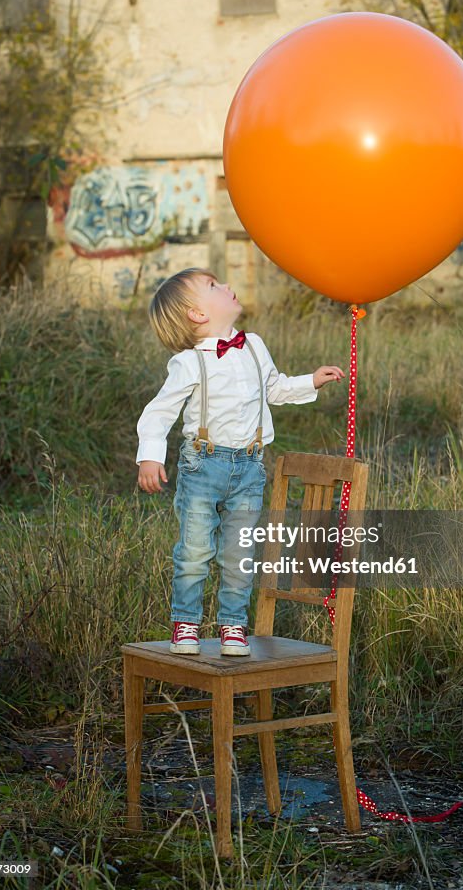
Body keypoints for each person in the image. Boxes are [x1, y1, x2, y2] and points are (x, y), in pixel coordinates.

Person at [136, 268, 345, 657]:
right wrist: (150, 456)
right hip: (203, 465)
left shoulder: (254, 346)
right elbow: (159, 412)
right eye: (214, 286)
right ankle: (186, 624)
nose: (227, 286)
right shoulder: (187, 362)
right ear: (197, 314)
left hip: (249, 468)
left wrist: (310, 381)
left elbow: (274, 388)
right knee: (196, 550)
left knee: (238, 553)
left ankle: (233, 624)